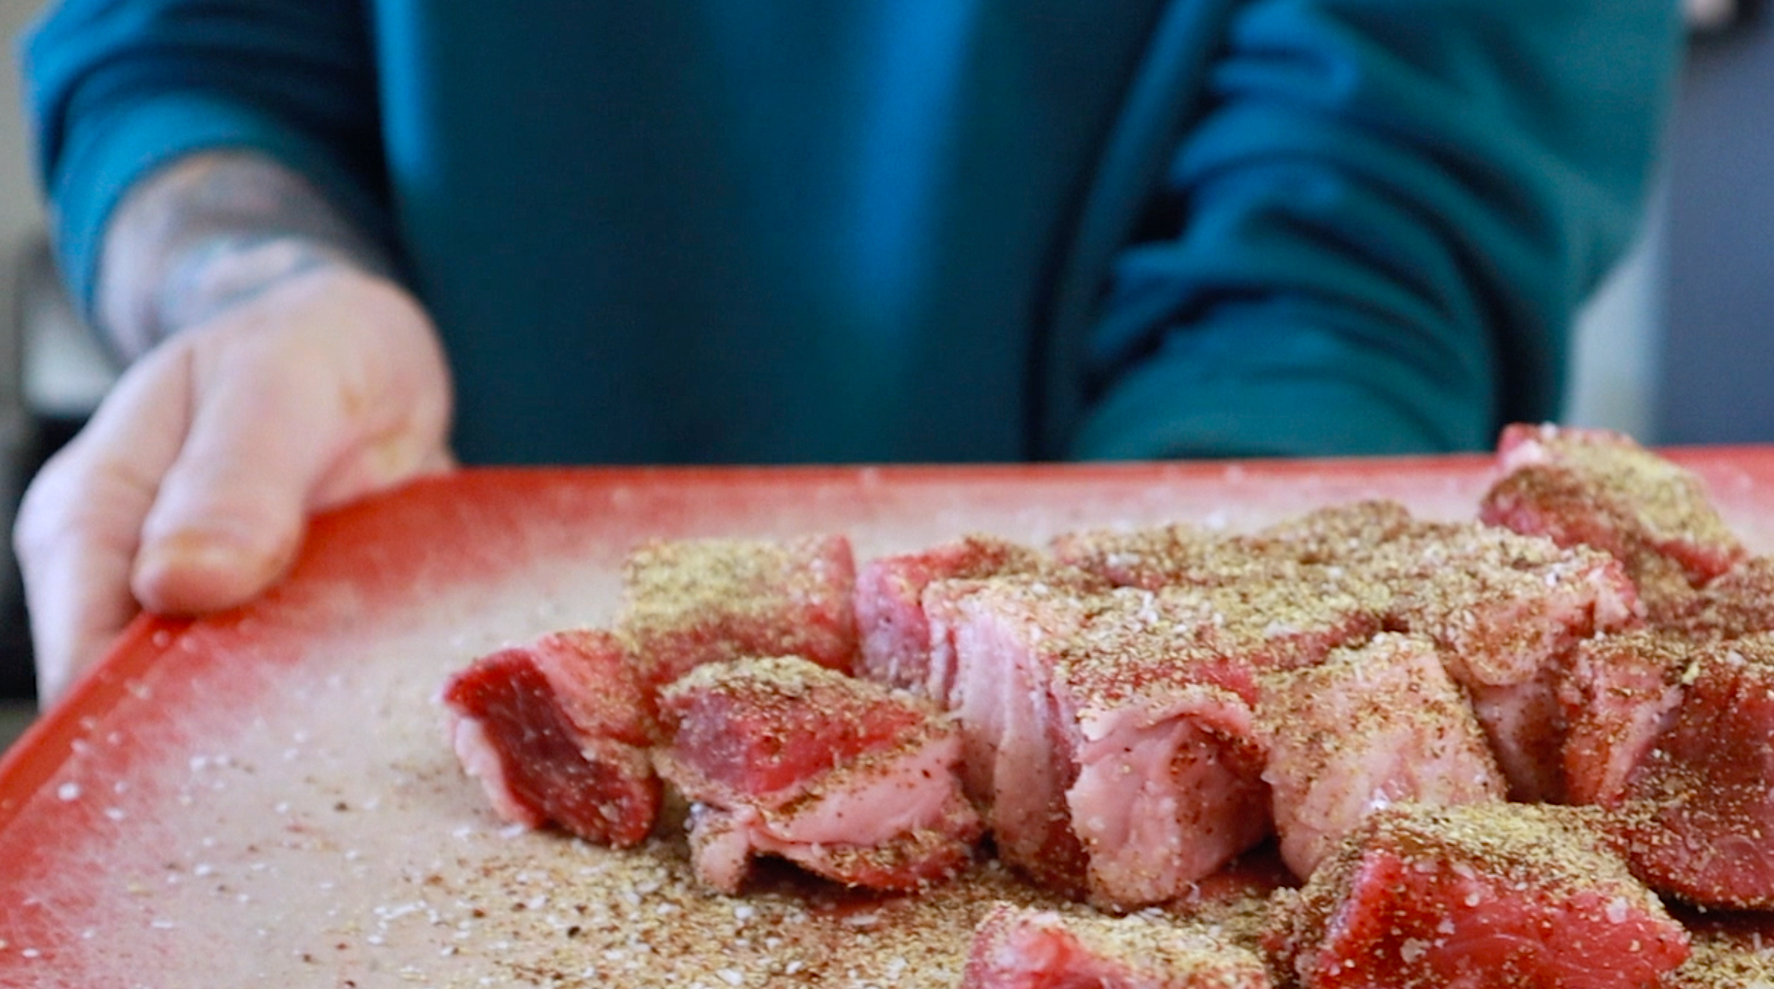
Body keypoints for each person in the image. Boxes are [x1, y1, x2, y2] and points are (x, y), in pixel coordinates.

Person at [17, 0, 1675, 704]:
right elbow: (197, 54)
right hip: (408, 637)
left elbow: (1367, 210)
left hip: (1153, 606)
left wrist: (1179, 637)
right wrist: (264, 292)